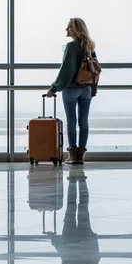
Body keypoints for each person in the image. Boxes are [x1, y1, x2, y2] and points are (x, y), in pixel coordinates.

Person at [46, 18, 97, 164]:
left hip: (72, 89)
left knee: (71, 121)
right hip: (87, 89)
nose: (66, 30)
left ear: (75, 29)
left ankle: (73, 155)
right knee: (84, 121)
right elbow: (95, 70)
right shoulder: (89, 46)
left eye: (69, 27)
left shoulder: (71, 46)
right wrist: (93, 89)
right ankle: (81, 155)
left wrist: (54, 88)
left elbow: (66, 72)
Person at [50, 166, 100, 264]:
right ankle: (73, 181)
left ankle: (81, 181)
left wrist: (93, 238)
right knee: (71, 207)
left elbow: (95, 256)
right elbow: (65, 256)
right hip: (70, 238)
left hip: (85, 238)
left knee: (83, 206)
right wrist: (54, 241)